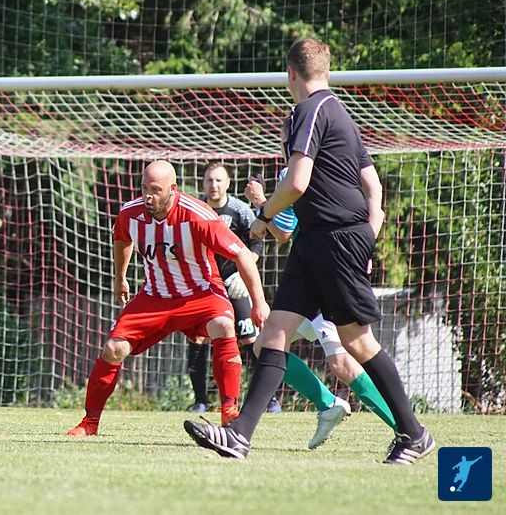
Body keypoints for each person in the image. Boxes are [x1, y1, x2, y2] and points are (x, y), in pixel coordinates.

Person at [184, 38, 435, 464]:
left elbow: (297, 182)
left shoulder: (310, 110)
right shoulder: (341, 114)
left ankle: (414, 433)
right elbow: (373, 187)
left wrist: (264, 213)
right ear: (327, 70)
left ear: (290, 74)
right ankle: (239, 436)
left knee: (357, 341)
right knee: (272, 334)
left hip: (334, 239)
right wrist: (369, 236)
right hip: (317, 241)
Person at [67, 160, 269, 436]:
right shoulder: (130, 213)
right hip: (155, 295)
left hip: (201, 293)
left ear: (172, 189)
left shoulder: (198, 215)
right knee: (113, 348)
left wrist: (259, 302)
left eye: (155, 190)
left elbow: (242, 254)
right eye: (144, 189)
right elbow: (122, 239)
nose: (148, 196)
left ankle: (229, 413)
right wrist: (120, 277)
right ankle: (89, 423)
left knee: (223, 326)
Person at [245, 169, 397, 449]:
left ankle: (405, 429)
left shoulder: (298, 173)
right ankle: (328, 404)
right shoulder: (319, 171)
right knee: (265, 345)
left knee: (344, 362)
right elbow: (285, 233)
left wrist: (261, 204)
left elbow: (284, 233)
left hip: (325, 276)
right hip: (315, 279)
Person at [188, 162, 281, 414]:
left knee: (250, 339)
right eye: (209, 180)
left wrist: (243, 272)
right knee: (199, 338)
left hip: (234, 282)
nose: (214, 185)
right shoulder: (196, 209)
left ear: (228, 183)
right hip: (205, 285)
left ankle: (269, 399)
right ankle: (200, 401)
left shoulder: (240, 210)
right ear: (203, 183)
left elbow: (257, 242)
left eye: (219, 180)